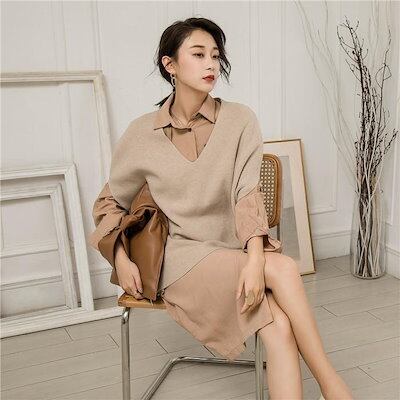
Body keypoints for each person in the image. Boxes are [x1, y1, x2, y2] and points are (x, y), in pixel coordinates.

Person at [89, 17, 354, 400]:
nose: (211, 64)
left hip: (230, 248)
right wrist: (121, 258)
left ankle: (330, 387)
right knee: (282, 268)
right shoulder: (141, 133)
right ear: (170, 64)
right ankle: (333, 386)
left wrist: (253, 258)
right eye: (198, 54)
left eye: (215, 55)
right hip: (180, 258)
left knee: (278, 327)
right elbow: (109, 202)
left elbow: (248, 194)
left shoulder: (239, 119)